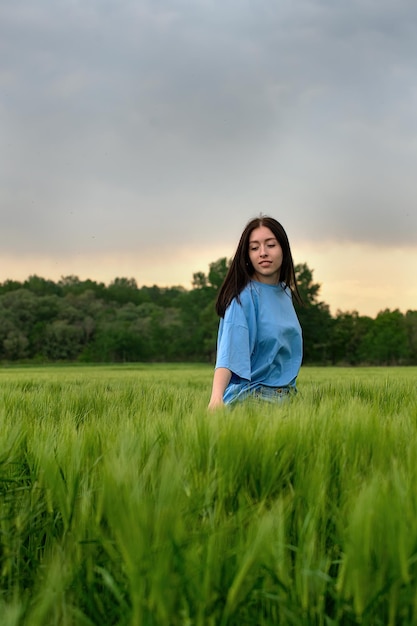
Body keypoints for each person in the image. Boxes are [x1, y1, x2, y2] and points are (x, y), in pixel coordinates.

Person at [208, 215, 303, 409]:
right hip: (252, 401)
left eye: (271, 245)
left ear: (284, 249)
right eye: (254, 247)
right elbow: (229, 353)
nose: (263, 253)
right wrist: (216, 399)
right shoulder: (242, 299)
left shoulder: (285, 293)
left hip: (288, 399)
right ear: (247, 255)